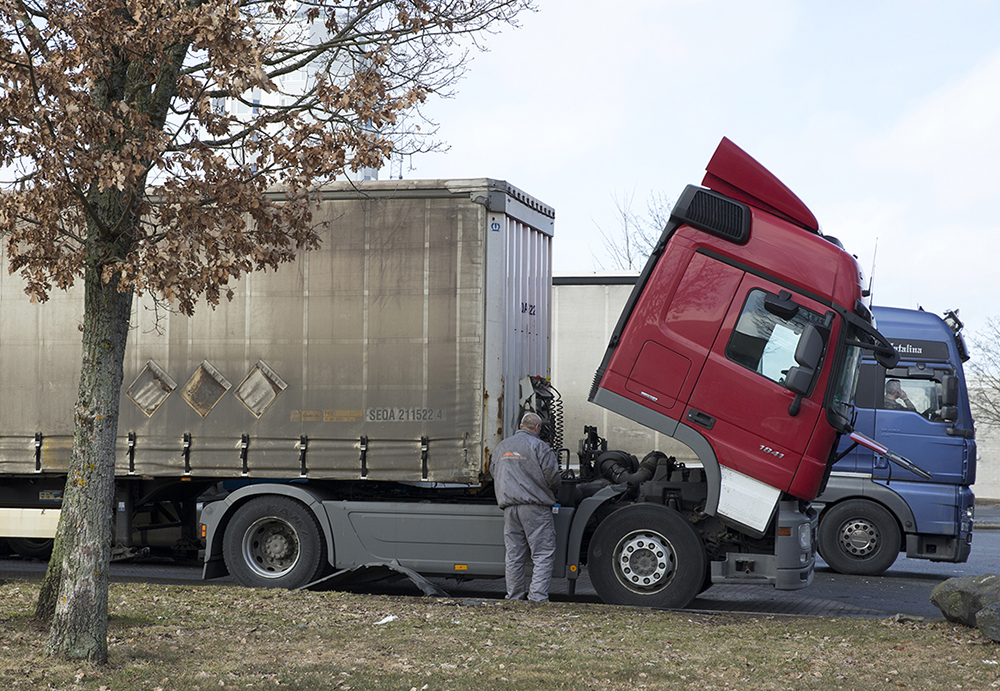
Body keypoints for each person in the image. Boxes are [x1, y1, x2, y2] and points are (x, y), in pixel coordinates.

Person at [490, 411, 561, 602]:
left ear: (521, 425)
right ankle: (537, 598)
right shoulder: (540, 446)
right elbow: (552, 477)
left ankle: (514, 598)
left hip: (509, 508)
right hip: (535, 507)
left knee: (514, 555)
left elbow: (493, 472)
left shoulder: (502, 446)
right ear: (537, 428)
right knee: (542, 553)